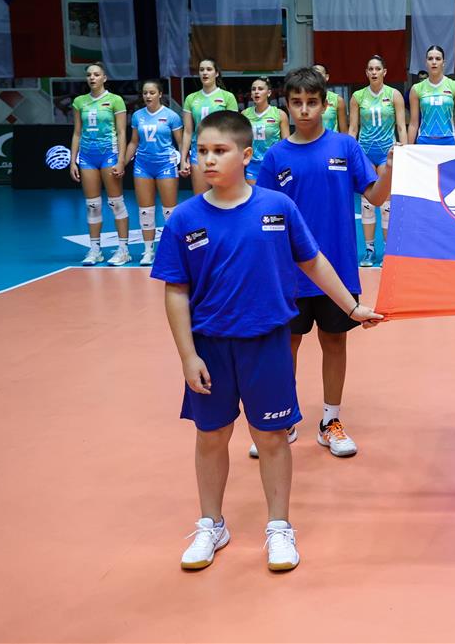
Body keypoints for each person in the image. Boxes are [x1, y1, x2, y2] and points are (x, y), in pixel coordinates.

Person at [153, 110, 381, 573]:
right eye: (202, 151)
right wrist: (187, 355)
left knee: (272, 437)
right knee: (211, 436)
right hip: (211, 347)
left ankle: (279, 527)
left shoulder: (277, 207)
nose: (208, 160)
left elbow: (313, 261)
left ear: (246, 155)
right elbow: (175, 292)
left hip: (268, 343)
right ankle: (211, 524)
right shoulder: (185, 219)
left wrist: (351, 307)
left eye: (220, 151)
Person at [256, 67, 393, 460]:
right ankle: (284, 418)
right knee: (287, 344)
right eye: (297, 102)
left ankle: (330, 422)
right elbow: (261, 214)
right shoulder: (276, 156)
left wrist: (389, 169)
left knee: (334, 341)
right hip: (289, 273)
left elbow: (376, 197)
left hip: (338, 270)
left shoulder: (345, 147)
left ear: (325, 104)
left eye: (312, 102)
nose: (304, 110)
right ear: (287, 105)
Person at [69, 63, 132, 266]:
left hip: (109, 155)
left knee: (116, 203)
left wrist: (121, 160)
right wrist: (73, 160)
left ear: (104, 78)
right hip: (87, 156)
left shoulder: (115, 100)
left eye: (96, 74)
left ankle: (123, 250)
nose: (92, 78)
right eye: (89, 75)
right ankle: (95, 250)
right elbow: (77, 132)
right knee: (92, 205)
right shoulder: (79, 101)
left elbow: (122, 132)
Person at [349, 55, 407, 267]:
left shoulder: (394, 95)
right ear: (366, 73)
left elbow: (401, 126)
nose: (374, 72)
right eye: (370, 69)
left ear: (384, 72)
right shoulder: (357, 96)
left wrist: (404, 150)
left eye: (377, 69)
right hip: (365, 153)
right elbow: (353, 128)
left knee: (386, 204)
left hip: (386, 153)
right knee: (366, 204)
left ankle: (388, 252)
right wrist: (349, 153)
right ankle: (369, 251)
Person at [123, 79, 183, 266]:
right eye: (145, 93)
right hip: (143, 166)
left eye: (151, 92)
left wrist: (184, 161)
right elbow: (134, 142)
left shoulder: (171, 116)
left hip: (165, 165)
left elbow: (181, 142)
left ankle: (172, 251)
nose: (148, 96)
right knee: (145, 211)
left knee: (169, 212)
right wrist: (122, 163)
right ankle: (148, 251)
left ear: (160, 94)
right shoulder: (137, 116)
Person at [181, 59, 238, 195]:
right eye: (201, 70)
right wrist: (183, 159)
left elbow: (234, 130)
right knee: (201, 198)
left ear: (216, 73)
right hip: (199, 152)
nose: (205, 73)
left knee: (223, 198)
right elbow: (188, 131)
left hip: (221, 152)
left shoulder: (227, 97)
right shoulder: (191, 98)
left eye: (209, 69)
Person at [407, 45, 455, 145]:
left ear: (443, 62)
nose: (434, 62)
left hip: (449, 140)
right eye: (430, 59)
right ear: (426, 62)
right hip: (424, 140)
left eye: (438, 59)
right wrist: (408, 148)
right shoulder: (416, 88)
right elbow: (413, 123)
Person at [241, 78, 289, 185]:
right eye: (253, 89)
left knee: (272, 194)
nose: (256, 92)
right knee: (255, 194)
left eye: (260, 89)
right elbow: (240, 141)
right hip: (252, 164)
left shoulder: (279, 114)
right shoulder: (244, 114)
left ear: (269, 93)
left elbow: (286, 144)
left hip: (273, 163)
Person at [311, 64, 348, 133]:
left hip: (332, 139)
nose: (316, 77)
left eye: (318, 73)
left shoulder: (337, 100)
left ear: (327, 77)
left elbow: (344, 132)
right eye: (313, 74)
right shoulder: (305, 100)